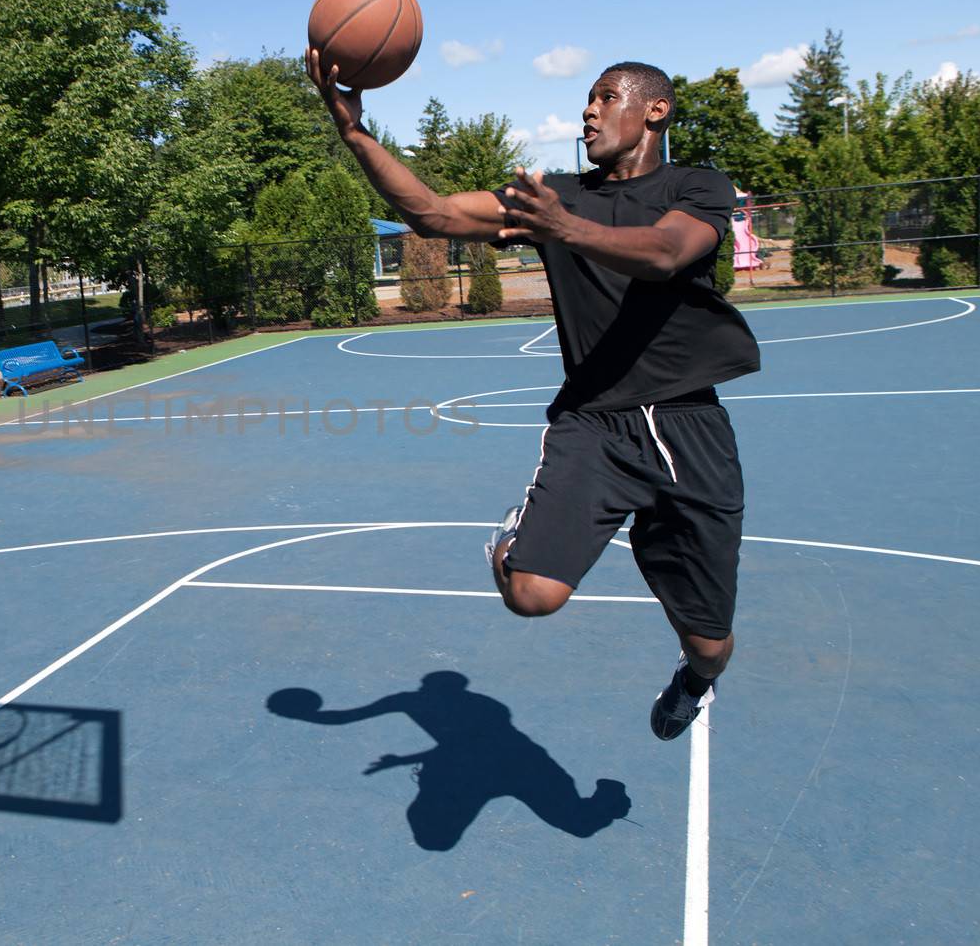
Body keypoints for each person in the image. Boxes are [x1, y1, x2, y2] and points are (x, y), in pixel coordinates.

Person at [306, 51, 760, 740]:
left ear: (655, 110)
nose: (589, 110)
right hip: (597, 423)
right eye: (587, 99)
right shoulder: (560, 197)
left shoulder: (696, 186)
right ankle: (521, 532)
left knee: (710, 643)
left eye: (606, 97)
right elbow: (433, 214)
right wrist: (355, 134)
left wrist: (562, 229)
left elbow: (667, 251)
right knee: (530, 591)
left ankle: (695, 680)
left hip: (689, 424)